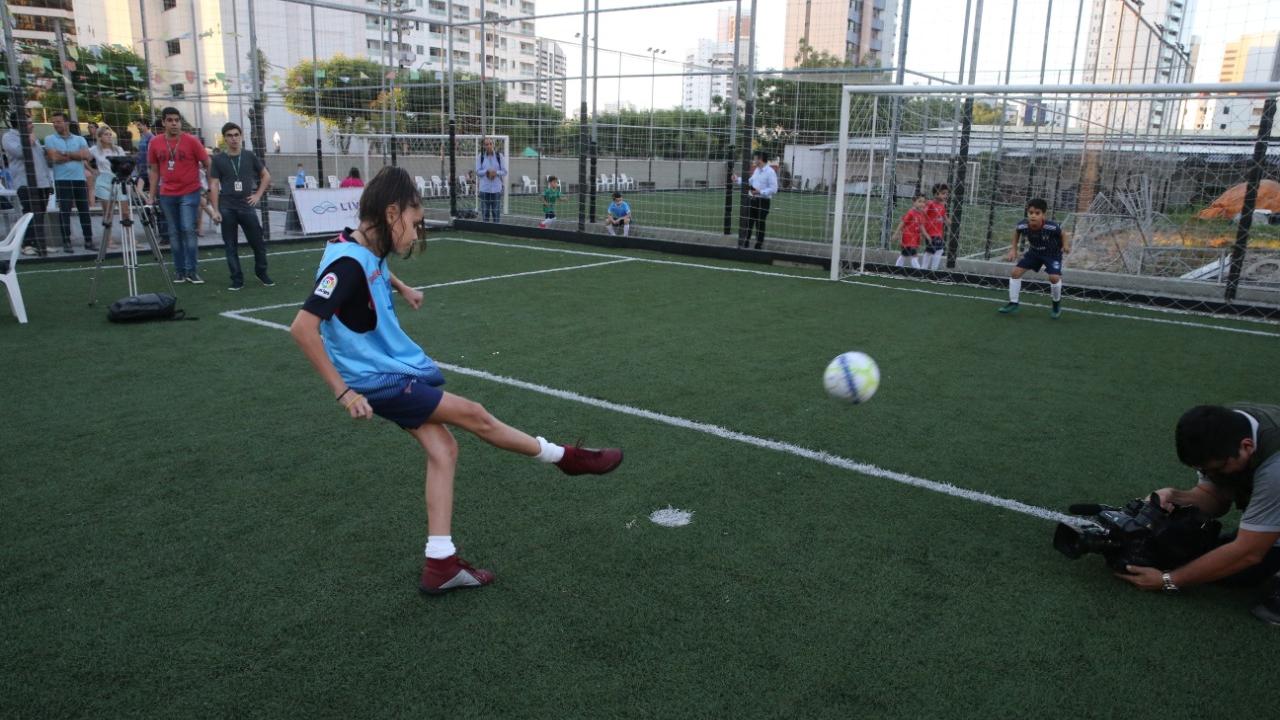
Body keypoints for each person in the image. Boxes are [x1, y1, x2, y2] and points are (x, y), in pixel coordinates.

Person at [288, 166, 624, 596]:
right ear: (392, 212)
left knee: (444, 449)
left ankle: (440, 563)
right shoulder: (347, 265)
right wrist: (344, 392)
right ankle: (565, 458)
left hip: (384, 372)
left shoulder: (353, 243)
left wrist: (401, 285)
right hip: (379, 381)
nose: (414, 235)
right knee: (475, 415)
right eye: (414, 222)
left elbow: (366, 261)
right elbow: (302, 328)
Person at [1116, 404, 1280, 625]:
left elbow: (1249, 552)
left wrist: (1168, 580)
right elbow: (1215, 499)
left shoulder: (1274, 469)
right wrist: (1175, 497)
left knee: (1242, 565)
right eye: (1205, 470)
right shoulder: (1221, 429)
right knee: (1221, 567)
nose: (1211, 475)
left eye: (1217, 469)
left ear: (1247, 446)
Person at [148, 107, 211, 284]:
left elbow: (207, 162)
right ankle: (179, 271)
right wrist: (151, 196)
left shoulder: (192, 141)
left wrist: (209, 186)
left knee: (187, 229)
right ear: (163, 122)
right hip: (167, 194)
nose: (174, 123)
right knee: (174, 233)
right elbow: (153, 170)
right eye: (170, 120)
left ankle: (192, 271)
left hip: (190, 192)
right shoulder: (155, 142)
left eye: (177, 120)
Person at [208, 122, 272, 291]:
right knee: (230, 245)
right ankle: (237, 279)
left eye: (236, 135)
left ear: (241, 137)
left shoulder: (249, 156)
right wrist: (215, 210)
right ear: (225, 139)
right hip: (227, 207)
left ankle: (261, 272)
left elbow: (266, 176)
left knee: (258, 242)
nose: (234, 138)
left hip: (246, 206)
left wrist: (257, 195)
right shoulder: (218, 159)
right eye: (230, 135)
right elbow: (213, 184)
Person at [998, 197, 1070, 319]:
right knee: (1015, 273)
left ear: (1043, 215)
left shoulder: (1051, 227)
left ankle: (1056, 304)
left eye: (1037, 213)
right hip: (1034, 253)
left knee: (1054, 278)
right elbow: (1017, 232)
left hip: (1052, 254)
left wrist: (1066, 245)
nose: (1033, 216)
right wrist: (1013, 249)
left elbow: (1063, 233)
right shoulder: (1023, 225)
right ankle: (1013, 303)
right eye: (1031, 213)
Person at [2, 110, 54, 256]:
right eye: (29, 122)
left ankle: (40, 243)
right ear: (19, 123)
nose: (32, 125)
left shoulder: (32, 137)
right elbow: (19, 153)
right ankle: (27, 244)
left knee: (40, 214)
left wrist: (48, 181)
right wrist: (29, 140)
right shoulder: (8, 137)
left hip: (42, 182)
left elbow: (40, 160)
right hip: (25, 183)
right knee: (29, 214)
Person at [45, 111, 97, 252]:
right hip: (62, 180)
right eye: (54, 122)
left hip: (79, 179)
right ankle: (66, 242)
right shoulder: (50, 139)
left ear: (66, 122)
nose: (56, 124)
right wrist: (76, 156)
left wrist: (65, 154)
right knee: (65, 212)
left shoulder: (79, 139)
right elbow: (54, 158)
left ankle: (88, 240)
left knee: (84, 211)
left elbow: (86, 156)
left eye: (59, 121)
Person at [86, 126, 129, 248]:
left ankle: (129, 237)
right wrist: (92, 170)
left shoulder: (118, 149)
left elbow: (125, 162)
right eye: (106, 134)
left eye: (110, 134)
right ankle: (108, 239)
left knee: (125, 212)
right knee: (108, 212)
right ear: (99, 137)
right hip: (104, 181)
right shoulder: (94, 150)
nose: (109, 137)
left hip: (118, 180)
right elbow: (84, 159)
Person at [734, 151, 778, 249]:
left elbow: (774, 189)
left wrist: (760, 192)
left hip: (763, 202)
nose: (754, 160)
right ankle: (746, 242)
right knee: (749, 222)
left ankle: (759, 244)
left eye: (755, 158)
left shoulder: (770, 172)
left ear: (760, 159)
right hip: (753, 199)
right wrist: (737, 180)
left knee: (760, 223)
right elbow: (749, 181)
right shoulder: (757, 170)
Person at [892, 193, 927, 269]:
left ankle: (897, 268)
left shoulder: (920, 214)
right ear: (914, 202)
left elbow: (920, 226)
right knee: (914, 255)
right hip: (908, 238)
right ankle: (919, 271)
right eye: (919, 201)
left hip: (915, 238)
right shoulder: (911, 213)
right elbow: (902, 223)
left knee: (904, 254)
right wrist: (896, 234)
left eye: (924, 202)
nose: (922, 204)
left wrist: (921, 235)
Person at [475, 137, 506, 222]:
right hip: (484, 189)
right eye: (486, 144)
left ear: (493, 145)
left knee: (496, 213)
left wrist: (496, 173)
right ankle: (485, 231)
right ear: (484, 146)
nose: (489, 146)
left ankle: (496, 230)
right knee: (485, 214)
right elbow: (477, 172)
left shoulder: (499, 156)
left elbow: (504, 171)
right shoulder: (480, 156)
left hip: (496, 190)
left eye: (490, 144)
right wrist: (486, 172)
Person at [924, 183, 949, 270]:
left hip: (938, 233)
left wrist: (949, 222)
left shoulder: (942, 206)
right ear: (935, 194)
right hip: (931, 233)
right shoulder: (930, 204)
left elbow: (944, 217)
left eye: (946, 193)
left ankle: (927, 270)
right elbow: (924, 212)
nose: (945, 195)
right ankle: (929, 270)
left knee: (934, 251)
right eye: (943, 193)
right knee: (935, 251)